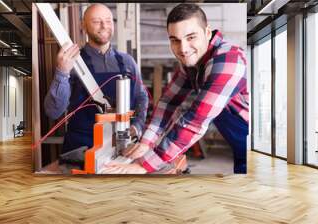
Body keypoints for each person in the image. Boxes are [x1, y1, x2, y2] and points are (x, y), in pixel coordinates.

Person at [102, 3, 248, 174]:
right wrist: (145, 143)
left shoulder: (229, 61)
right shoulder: (192, 63)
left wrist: (144, 165)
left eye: (191, 37)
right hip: (238, 143)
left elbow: (196, 120)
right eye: (175, 40)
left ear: (207, 33)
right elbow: (167, 103)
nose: (183, 49)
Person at [44, 4, 149, 156]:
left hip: (121, 144)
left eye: (108, 20)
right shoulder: (73, 62)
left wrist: (137, 126)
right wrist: (62, 72)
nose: (104, 25)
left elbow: (142, 97)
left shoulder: (128, 62)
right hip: (81, 147)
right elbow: (53, 112)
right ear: (83, 26)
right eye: (96, 21)